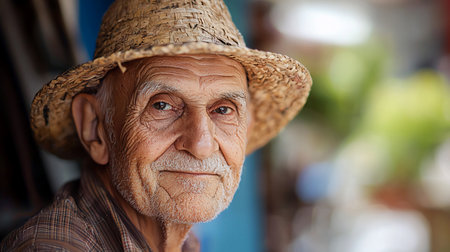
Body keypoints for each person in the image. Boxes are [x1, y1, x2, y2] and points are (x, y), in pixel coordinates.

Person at [1, 0, 312, 251]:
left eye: (223, 109)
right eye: (162, 105)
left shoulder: (182, 242)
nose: (201, 144)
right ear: (95, 127)